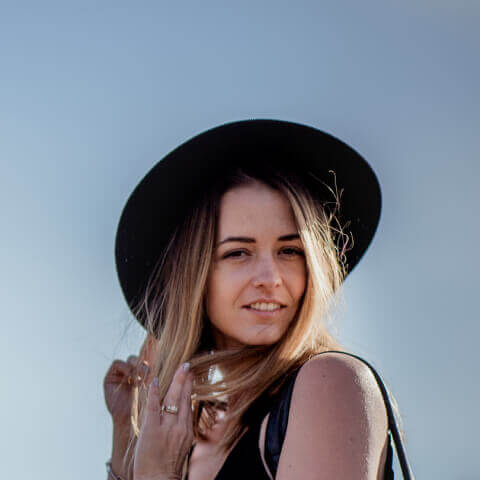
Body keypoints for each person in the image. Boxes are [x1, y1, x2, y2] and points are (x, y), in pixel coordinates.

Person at [103, 120, 412, 480]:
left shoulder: (331, 384)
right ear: (194, 276)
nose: (271, 278)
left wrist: (157, 475)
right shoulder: (191, 441)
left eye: (289, 251)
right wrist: (127, 438)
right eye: (238, 253)